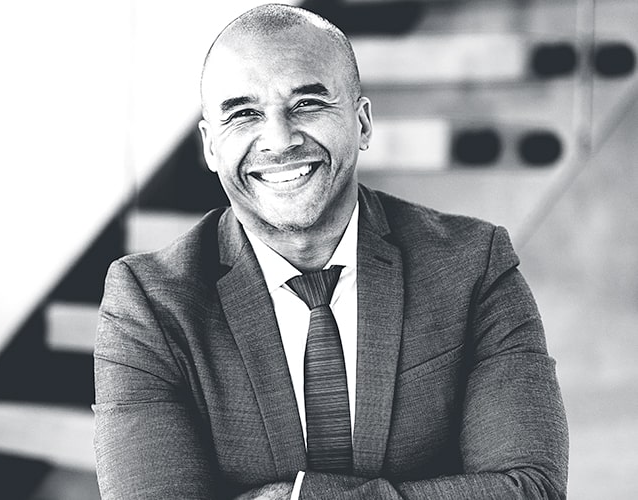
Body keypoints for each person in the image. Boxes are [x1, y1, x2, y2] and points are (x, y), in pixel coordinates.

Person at [93, 4, 569, 499]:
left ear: (362, 123)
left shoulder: (473, 265)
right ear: (211, 148)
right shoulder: (148, 305)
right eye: (243, 114)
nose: (278, 139)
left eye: (307, 104)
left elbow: (529, 489)